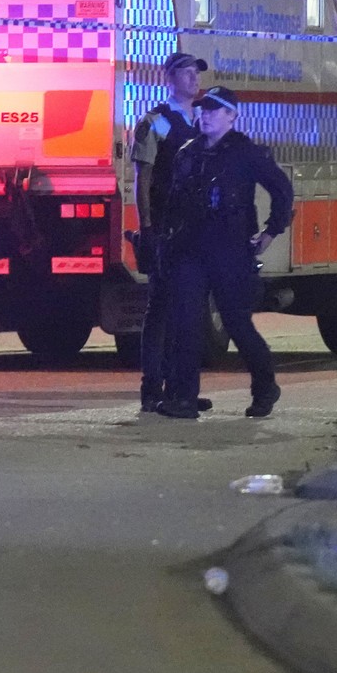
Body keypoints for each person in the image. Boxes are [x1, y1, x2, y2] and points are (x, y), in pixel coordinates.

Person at [157, 86, 293, 420]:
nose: (206, 115)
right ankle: (184, 398)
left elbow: (281, 189)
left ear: (232, 115)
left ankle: (265, 386)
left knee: (236, 322)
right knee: (186, 323)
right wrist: (165, 242)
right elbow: (173, 202)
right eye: (203, 109)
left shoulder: (245, 152)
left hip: (230, 251)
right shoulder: (189, 152)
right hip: (190, 249)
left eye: (214, 110)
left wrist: (271, 231)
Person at [128, 52, 207, 413]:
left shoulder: (202, 119)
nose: (194, 79)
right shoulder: (157, 121)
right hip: (164, 226)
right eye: (186, 73)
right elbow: (143, 178)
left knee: (187, 309)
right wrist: (147, 227)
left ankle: (179, 389)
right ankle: (152, 389)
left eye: (196, 73)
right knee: (160, 308)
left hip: (193, 228)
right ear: (170, 79)